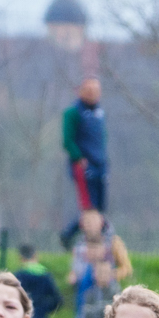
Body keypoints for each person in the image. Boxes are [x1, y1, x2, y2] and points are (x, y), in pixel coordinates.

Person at [63, 74, 109, 219]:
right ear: (81, 91)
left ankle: (101, 231)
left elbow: (102, 137)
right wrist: (79, 158)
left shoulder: (99, 112)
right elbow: (67, 141)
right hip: (84, 166)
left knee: (100, 208)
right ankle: (70, 231)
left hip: (100, 163)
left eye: (96, 90)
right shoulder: (73, 112)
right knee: (89, 208)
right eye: (89, 90)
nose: (93, 94)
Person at [14, 245, 63, 318]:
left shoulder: (18, 276)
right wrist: (44, 308)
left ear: (21, 258)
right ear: (36, 256)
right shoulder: (46, 276)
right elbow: (58, 300)